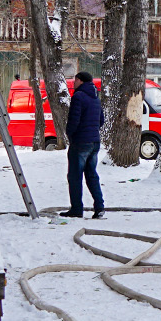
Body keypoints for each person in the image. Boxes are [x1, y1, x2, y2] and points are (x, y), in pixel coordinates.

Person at [64, 72, 105, 218]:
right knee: (92, 175)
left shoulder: (78, 96)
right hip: (94, 142)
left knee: (75, 176)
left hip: (80, 142)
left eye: (75, 80)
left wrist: (70, 134)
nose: (73, 83)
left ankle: (76, 208)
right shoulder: (95, 98)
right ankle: (99, 206)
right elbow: (101, 120)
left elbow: (73, 120)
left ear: (80, 80)